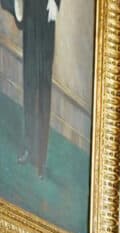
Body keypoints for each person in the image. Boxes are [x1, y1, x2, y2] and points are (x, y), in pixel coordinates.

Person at [1, 0, 59, 177]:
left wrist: (56, 3)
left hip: (46, 17)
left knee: (42, 91)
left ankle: (40, 158)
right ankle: (29, 148)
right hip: (30, 16)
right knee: (29, 85)